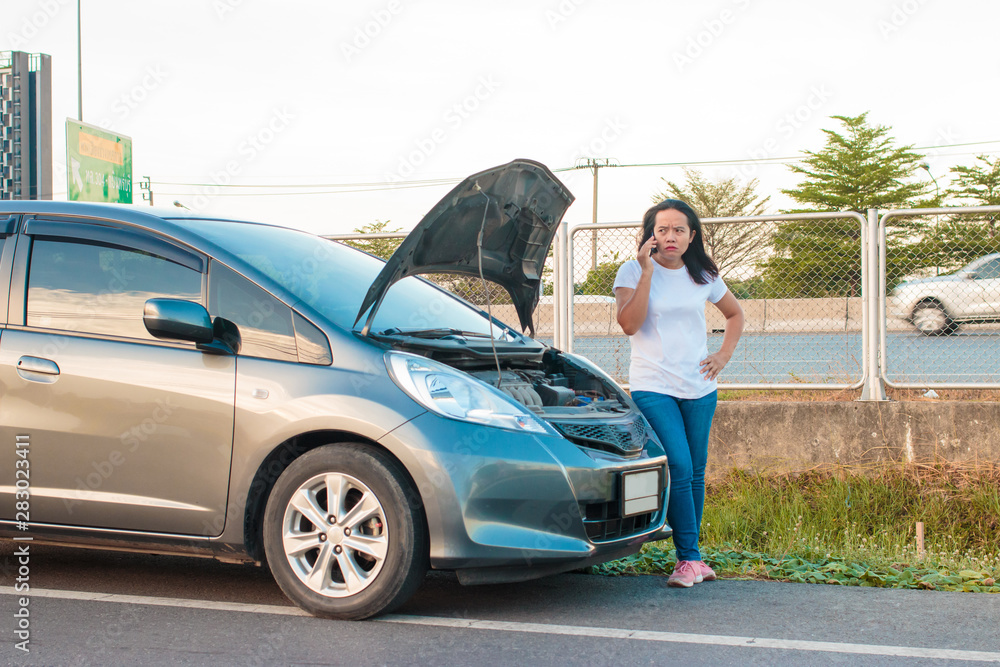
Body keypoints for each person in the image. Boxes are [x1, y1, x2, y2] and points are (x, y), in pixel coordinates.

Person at [613, 199, 745, 588]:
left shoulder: (703, 273)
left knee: (697, 472)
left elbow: (735, 314)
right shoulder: (632, 270)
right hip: (653, 385)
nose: (670, 236)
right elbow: (630, 325)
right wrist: (648, 272)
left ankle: (692, 556)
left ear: (691, 236)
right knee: (679, 467)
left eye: (679, 230)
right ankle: (688, 558)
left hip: (699, 386)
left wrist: (722, 356)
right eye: (663, 229)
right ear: (651, 233)